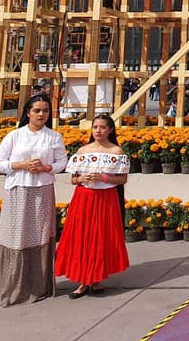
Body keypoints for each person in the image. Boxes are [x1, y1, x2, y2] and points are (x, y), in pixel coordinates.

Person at [0, 94, 68, 306]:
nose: (41, 115)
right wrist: (20, 165)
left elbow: (62, 162)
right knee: (15, 236)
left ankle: (38, 285)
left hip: (42, 190)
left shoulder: (53, 137)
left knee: (39, 235)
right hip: (18, 190)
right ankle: (11, 286)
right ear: (28, 112)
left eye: (45, 111)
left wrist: (45, 168)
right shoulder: (14, 136)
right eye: (37, 110)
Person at [55, 113, 129, 298]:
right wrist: (82, 178)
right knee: (82, 236)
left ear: (110, 130)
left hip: (106, 198)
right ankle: (82, 280)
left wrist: (103, 177)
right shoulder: (82, 151)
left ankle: (96, 278)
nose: (98, 130)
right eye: (95, 127)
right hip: (84, 197)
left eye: (103, 127)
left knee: (100, 236)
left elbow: (122, 178)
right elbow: (73, 179)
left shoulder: (116, 152)